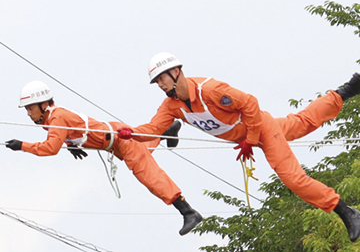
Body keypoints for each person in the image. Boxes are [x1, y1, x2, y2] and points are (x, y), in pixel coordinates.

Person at [117, 52, 360, 242]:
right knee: (303, 122)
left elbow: (250, 103)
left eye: (161, 78)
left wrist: (251, 139)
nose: (159, 84)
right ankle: (346, 91)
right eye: (156, 81)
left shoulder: (210, 90)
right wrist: (130, 134)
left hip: (261, 129)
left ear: (176, 72)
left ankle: (346, 212)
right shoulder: (171, 106)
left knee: (293, 179)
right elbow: (153, 129)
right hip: (253, 133)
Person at [5, 80, 202, 236]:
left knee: (148, 175)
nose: (28, 113)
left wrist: (22, 146)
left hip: (119, 140)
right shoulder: (52, 119)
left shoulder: (56, 117)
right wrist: (71, 144)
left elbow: (50, 148)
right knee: (143, 151)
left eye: (30, 108)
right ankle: (168, 130)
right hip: (115, 141)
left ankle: (188, 211)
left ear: (43, 104)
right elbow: (67, 133)